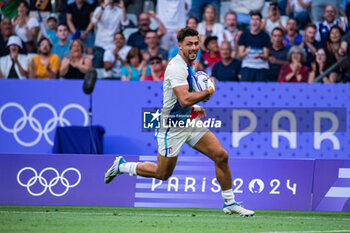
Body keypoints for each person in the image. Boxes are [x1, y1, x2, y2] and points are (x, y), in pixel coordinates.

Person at [104, 27, 255, 217]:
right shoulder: (176, 67)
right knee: (163, 174)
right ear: (179, 46)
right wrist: (207, 92)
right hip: (171, 127)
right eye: (189, 44)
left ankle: (230, 202)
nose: (193, 48)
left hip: (188, 120)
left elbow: (187, 100)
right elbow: (184, 99)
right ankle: (122, 166)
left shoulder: (189, 65)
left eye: (196, 44)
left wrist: (198, 104)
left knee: (221, 156)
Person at [90, 0, 129, 68]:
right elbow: (94, 20)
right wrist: (103, 7)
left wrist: (123, 8)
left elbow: (125, 23)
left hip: (113, 45)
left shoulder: (119, 10)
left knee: (114, 66)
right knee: (97, 66)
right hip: (101, 44)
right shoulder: (99, 9)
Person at [238, 11, 270, 82]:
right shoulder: (244, 35)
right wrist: (246, 52)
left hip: (261, 68)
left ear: (260, 22)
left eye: (257, 19)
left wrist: (260, 56)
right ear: (250, 21)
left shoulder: (265, 36)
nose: (255, 22)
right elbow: (240, 55)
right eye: (253, 19)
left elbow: (266, 56)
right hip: (247, 67)